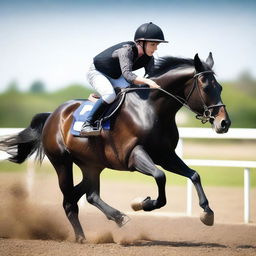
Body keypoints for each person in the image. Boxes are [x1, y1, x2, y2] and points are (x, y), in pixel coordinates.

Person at [80, 22, 168, 136]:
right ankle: (87, 124)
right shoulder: (126, 50)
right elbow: (127, 75)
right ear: (141, 43)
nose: (155, 48)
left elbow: (152, 76)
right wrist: (147, 81)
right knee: (109, 95)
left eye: (157, 45)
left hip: (116, 75)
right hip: (97, 71)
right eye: (153, 44)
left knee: (132, 95)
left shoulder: (149, 58)